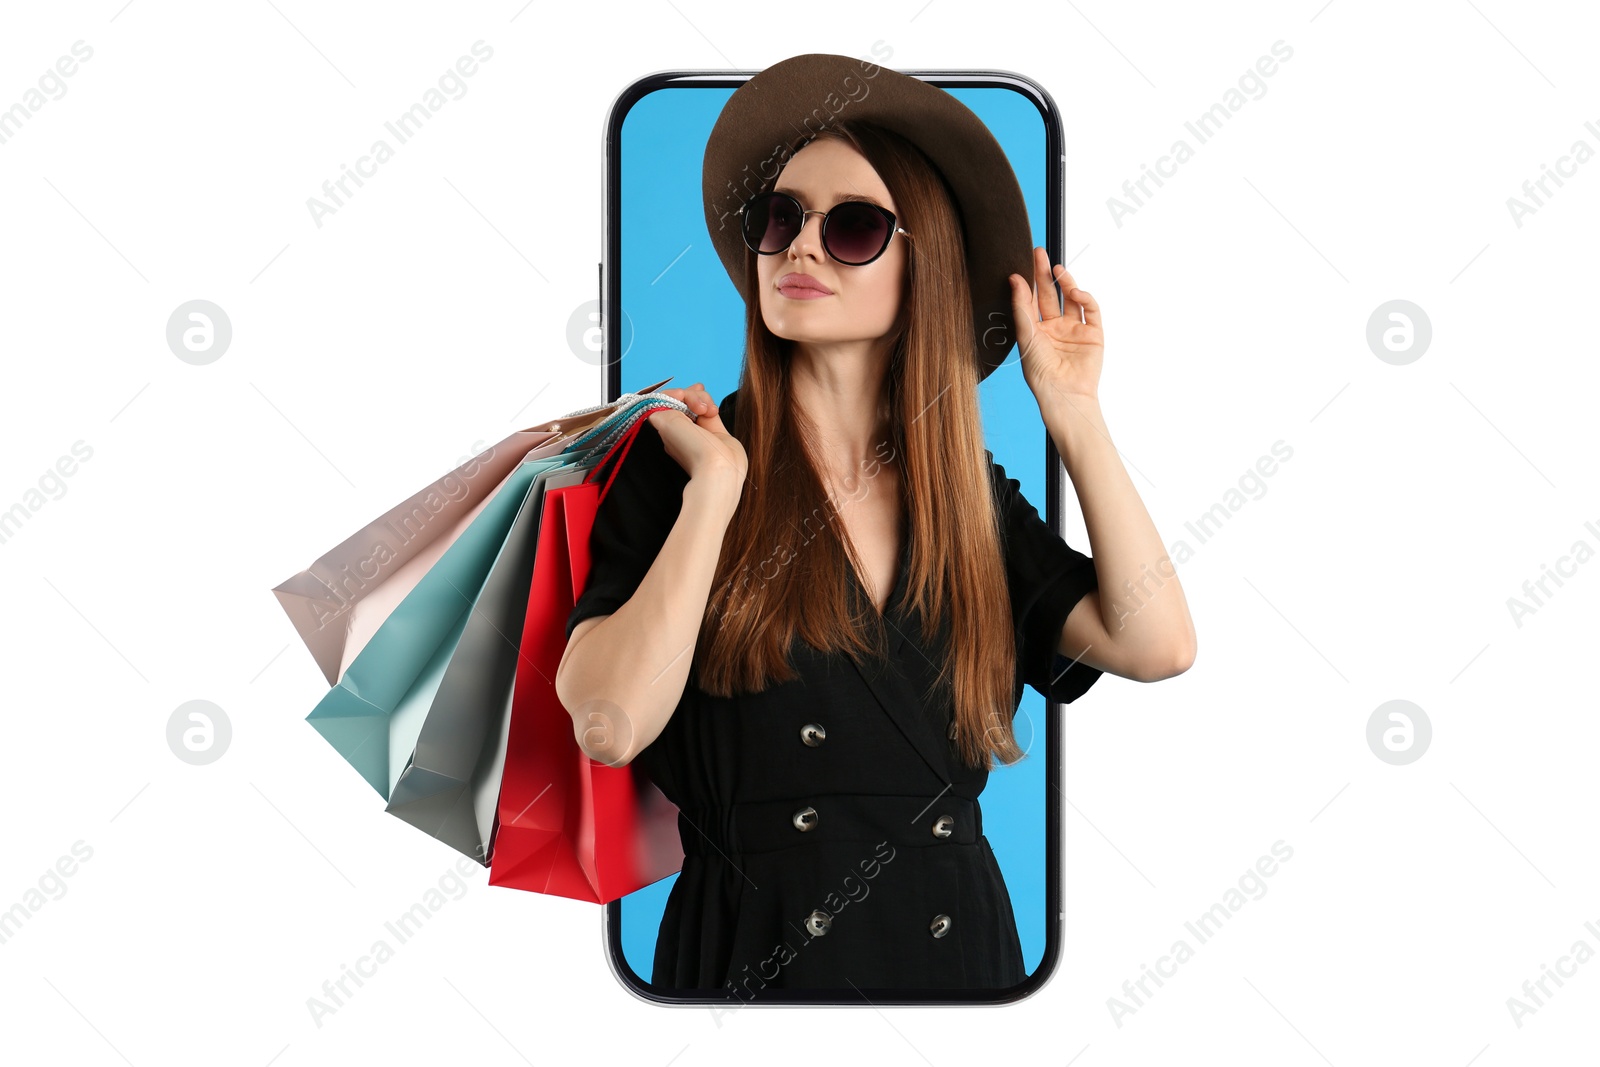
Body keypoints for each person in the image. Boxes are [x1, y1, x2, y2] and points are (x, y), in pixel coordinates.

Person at [556, 54, 1196, 996]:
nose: (801, 247)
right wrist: (714, 495)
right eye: (780, 218)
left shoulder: (965, 494)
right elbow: (607, 725)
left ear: (923, 262)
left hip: (957, 970)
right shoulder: (682, 462)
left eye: (852, 226)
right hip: (748, 968)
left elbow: (1157, 642)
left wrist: (1074, 413)